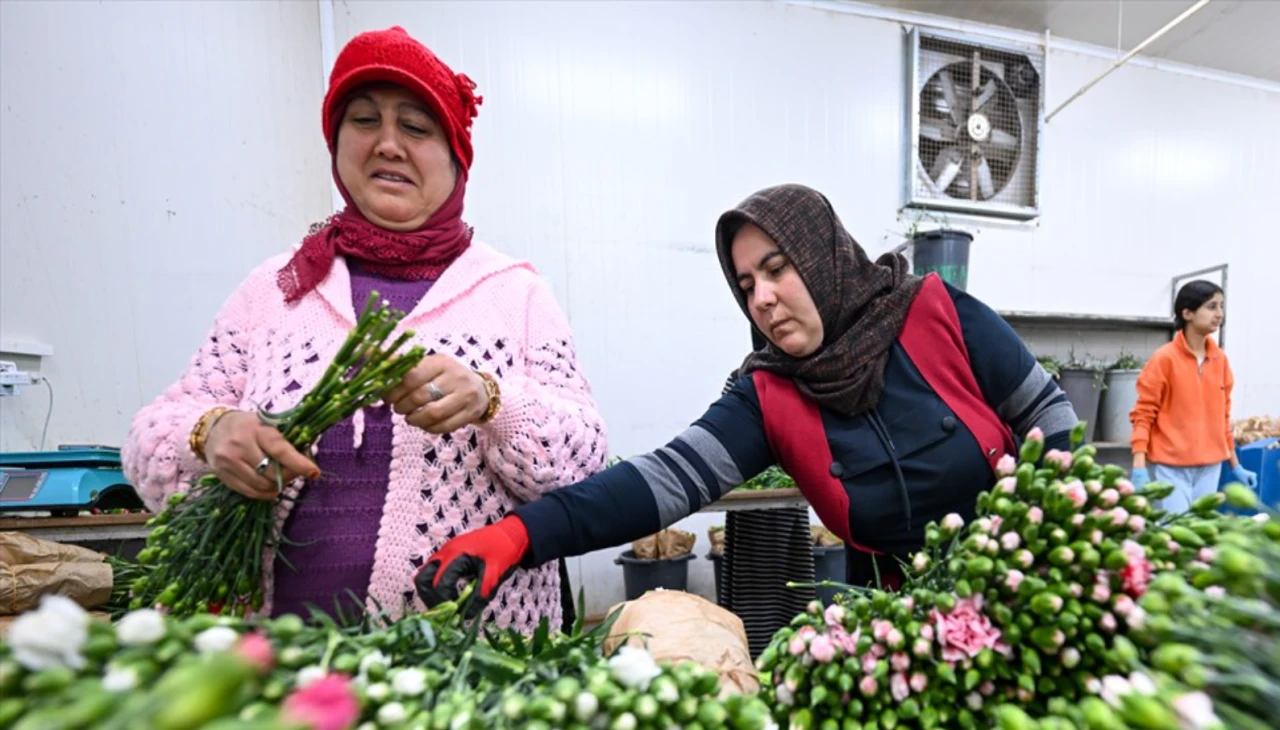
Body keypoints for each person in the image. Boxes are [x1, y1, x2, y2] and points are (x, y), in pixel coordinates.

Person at [121, 26, 607, 632]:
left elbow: (584, 465)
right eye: (363, 120)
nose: (387, 144)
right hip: (270, 652)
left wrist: (492, 399)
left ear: (457, 157)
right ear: (336, 144)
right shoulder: (275, 289)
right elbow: (149, 441)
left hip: (462, 657)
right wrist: (210, 433)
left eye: (416, 127)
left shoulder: (516, 294)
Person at [415, 183, 1078, 610]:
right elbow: (660, 482)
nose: (761, 297)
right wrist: (519, 534)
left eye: (777, 269)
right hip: (907, 622)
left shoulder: (939, 313)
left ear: (821, 257)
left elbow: (1050, 416)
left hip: (1034, 584)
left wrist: (1054, 534)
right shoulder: (770, 395)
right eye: (745, 284)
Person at [1129, 280, 1255, 514]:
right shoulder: (1163, 359)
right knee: (1173, 537)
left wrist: (1235, 465)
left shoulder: (1221, 360)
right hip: (1170, 467)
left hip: (1211, 467)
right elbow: (1143, 415)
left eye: (1221, 306)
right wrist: (1139, 465)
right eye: (1211, 307)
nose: (1219, 314)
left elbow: (1222, 418)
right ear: (1187, 313)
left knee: (1200, 539)